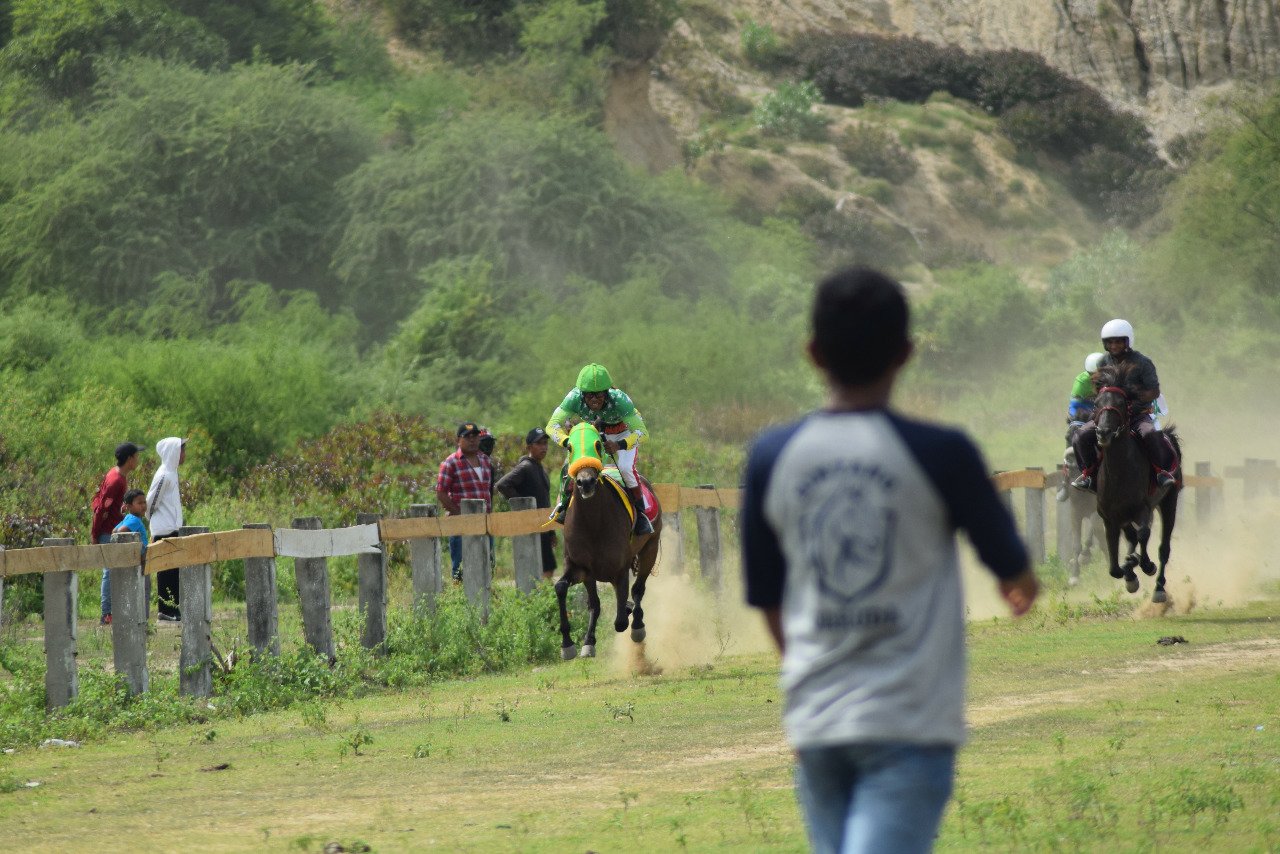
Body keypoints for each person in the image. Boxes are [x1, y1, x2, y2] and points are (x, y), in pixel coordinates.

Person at [741, 267, 1039, 854]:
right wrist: (1019, 585)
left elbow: (769, 601)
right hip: (910, 721)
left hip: (817, 721)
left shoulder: (771, 456)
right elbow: (1013, 569)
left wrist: (810, 677)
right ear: (905, 354)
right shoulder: (943, 453)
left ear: (813, 353)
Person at [1070, 319, 1177, 501]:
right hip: (1110, 415)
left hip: (1137, 414)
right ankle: (1088, 474)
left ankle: (1161, 472)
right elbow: (1100, 388)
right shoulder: (1104, 361)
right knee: (1080, 436)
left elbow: (1154, 390)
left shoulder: (1143, 363)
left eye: (1118, 341)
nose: (1114, 346)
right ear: (1105, 344)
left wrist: (1132, 404)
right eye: (1110, 342)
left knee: (1150, 434)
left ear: (1128, 341)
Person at [545, 363, 653, 535]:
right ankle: (564, 505)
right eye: (589, 396)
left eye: (599, 395)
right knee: (571, 465)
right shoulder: (573, 397)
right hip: (596, 430)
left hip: (625, 432)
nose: (594, 400)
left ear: (607, 392)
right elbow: (552, 426)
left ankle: (640, 514)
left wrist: (619, 445)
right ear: (581, 393)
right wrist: (568, 442)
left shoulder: (619, 399)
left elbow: (642, 433)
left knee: (625, 468)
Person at [90, 442, 144, 625]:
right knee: (110, 571)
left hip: (117, 529)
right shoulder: (116, 480)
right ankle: (106, 613)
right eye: (136, 456)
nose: (138, 460)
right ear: (129, 459)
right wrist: (95, 534)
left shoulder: (118, 475)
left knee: (117, 570)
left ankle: (117, 611)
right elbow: (101, 510)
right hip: (109, 531)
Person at [495, 427, 558, 580]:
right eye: (539, 444)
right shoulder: (526, 467)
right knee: (535, 568)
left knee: (548, 567)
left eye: (545, 443)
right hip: (530, 525)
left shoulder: (539, 468)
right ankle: (535, 599)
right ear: (529, 447)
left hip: (543, 526)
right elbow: (502, 485)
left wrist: (551, 531)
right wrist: (523, 505)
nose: (544, 447)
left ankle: (543, 599)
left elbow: (545, 501)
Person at [436, 422, 494, 582]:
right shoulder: (451, 463)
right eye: (467, 437)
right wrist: (458, 513)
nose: (472, 440)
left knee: (487, 567)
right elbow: (441, 493)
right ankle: (460, 604)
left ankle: (484, 603)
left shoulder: (485, 461)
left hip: (485, 524)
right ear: (458, 440)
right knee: (460, 571)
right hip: (461, 527)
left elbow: (488, 492)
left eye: (475, 436)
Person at [146, 437, 187, 622]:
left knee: (174, 571)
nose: (184, 454)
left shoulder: (172, 473)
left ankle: (173, 609)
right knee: (165, 572)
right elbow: (150, 502)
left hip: (173, 528)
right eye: (182, 450)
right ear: (174, 452)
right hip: (163, 530)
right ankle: (165, 610)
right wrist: (153, 522)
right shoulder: (163, 475)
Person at [1068, 352, 1106, 423]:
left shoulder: (1111, 378)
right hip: (1084, 413)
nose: (1094, 378)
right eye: (1090, 374)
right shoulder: (1081, 381)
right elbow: (1074, 405)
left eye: (1100, 374)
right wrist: (1074, 420)